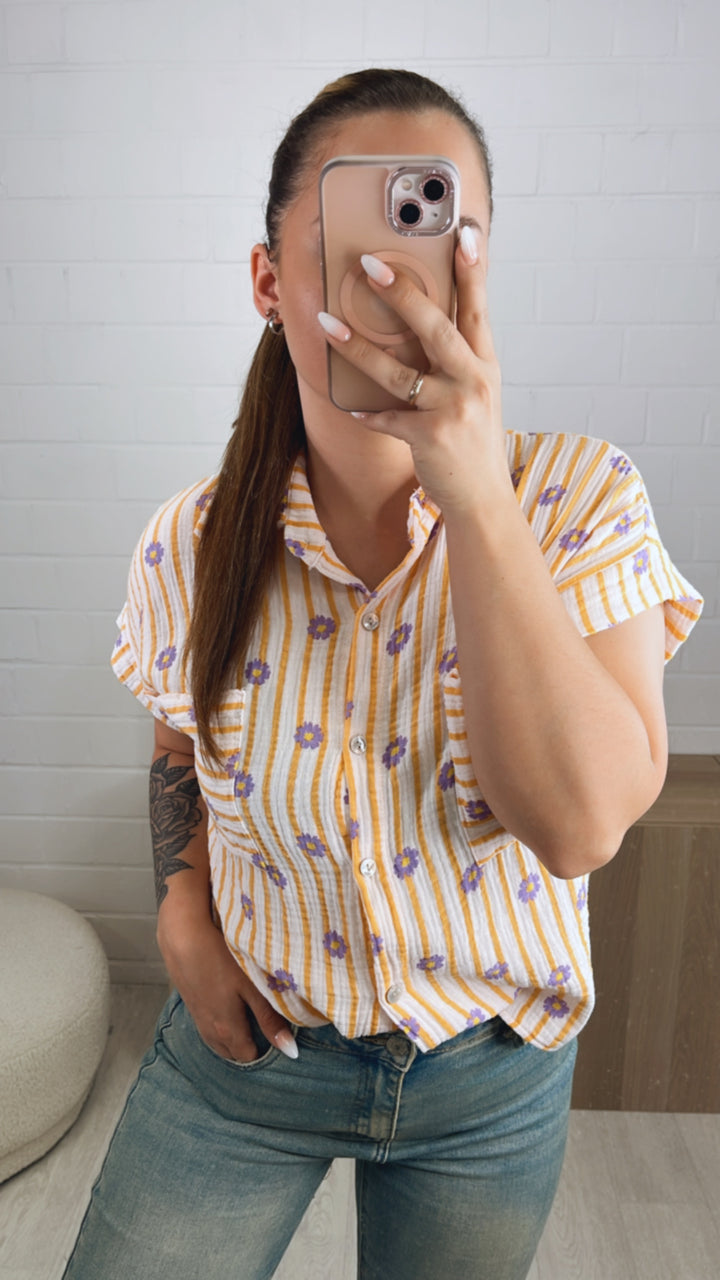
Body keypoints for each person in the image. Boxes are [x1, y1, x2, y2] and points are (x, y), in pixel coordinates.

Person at [63, 68, 702, 1280]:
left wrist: (476, 500)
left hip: (490, 1075)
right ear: (269, 282)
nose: (396, 280)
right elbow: (175, 745)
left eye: (437, 234)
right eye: (356, 239)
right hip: (248, 1054)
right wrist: (182, 912)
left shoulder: (580, 499)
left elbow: (577, 827)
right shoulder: (191, 540)